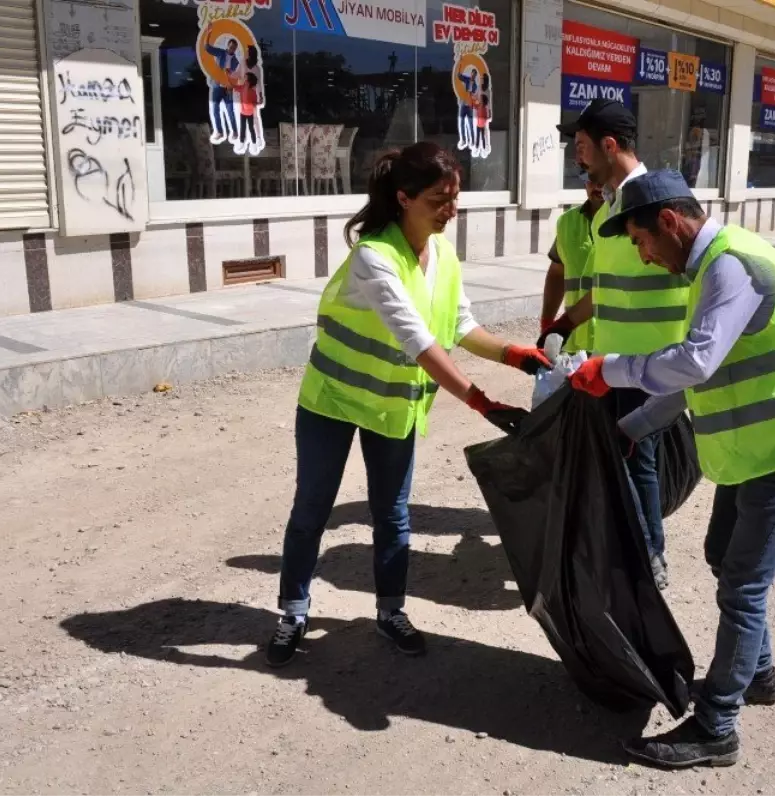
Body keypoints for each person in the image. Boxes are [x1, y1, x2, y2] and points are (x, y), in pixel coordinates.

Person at [566, 169, 775, 769]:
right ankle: (759, 675)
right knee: (725, 559)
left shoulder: (730, 265)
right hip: (763, 455)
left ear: (670, 222)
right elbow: (707, 374)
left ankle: (717, 725)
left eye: (643, 241)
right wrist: (632, 428)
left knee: (744, 584)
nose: (644, 257)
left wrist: (609, 368)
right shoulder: (710, 271)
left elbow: (694, 363)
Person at [265, 142, 551, 667]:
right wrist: (480, 402)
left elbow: (459, 324)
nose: (452, 209)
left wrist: (513, 354)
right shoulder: (374, 256)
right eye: (439, 200)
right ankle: (293, 612)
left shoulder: (442, 254)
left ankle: (390, 611)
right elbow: (417, 339)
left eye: (456, 196)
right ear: (404, 198)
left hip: (392, 406)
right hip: (332, 401)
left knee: (392, 515)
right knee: (312, 511)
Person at [541, 99, 690, 589]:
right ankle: (635, 550)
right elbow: (604, 291)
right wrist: (564, 323)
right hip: (615, 363)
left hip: (654, 362)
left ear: (609, 145)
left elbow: (698, 269)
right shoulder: (609, 206)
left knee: (636, 461)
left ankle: (649, 557)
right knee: (624, 460)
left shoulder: (656, 200)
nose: (578, 158)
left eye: (583, 147)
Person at [540, 174, 604, 353]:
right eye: (591, 181)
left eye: (601, 181)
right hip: (574, 343)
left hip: (612, 344)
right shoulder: (567, 222)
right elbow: (557, 273)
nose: (597, 187)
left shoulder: (628, 222)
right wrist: (547, 323)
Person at [203, 26, 240, 145]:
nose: (232, 49)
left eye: (234, 48)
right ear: (227, 46)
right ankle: (219, 131)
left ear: (235, 49)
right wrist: (208, 33)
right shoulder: (220, 53)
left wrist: (232, 84)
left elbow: (236, 77)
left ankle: (234, 131)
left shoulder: (236, 62)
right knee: (215, 109)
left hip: (227, 88)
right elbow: (206, 47)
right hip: (217, 85)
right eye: (230, 47)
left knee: (230, 111)